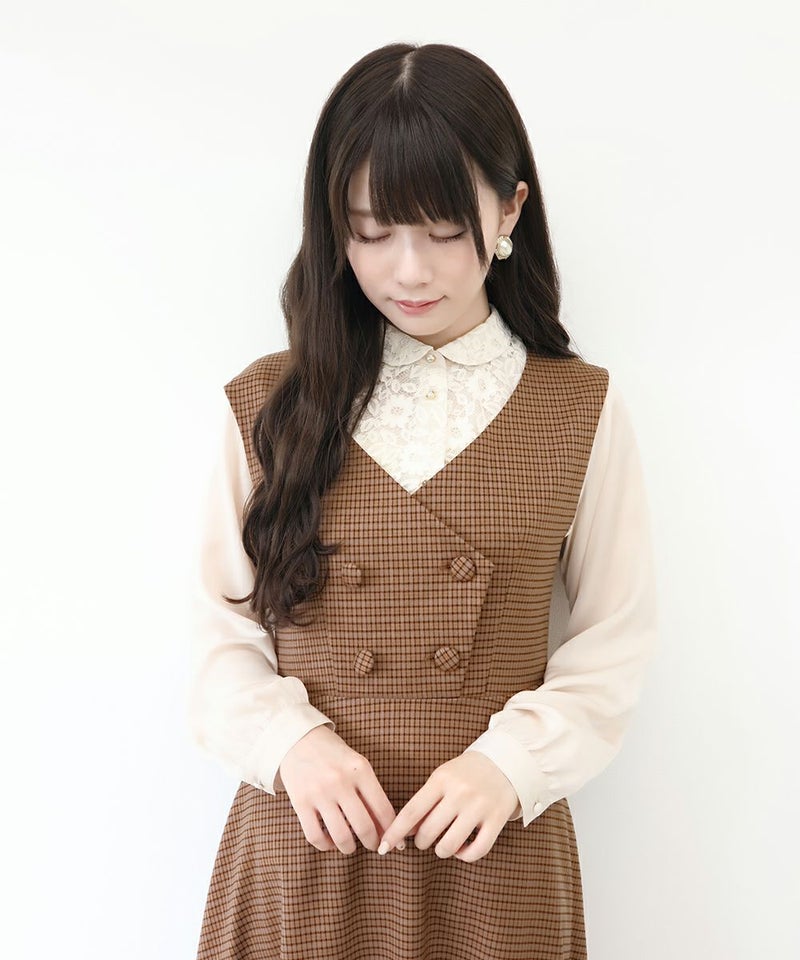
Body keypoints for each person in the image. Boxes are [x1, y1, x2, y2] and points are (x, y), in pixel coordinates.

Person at [187, 40, 659, 960]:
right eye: (372, 231)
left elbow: (616, 640)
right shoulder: (266, 403)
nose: (409, 271)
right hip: (304, 848)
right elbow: (218, 633)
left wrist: (513, 764)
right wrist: (290, 744)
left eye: (443, 231)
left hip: (496, 851)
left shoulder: (579, 407)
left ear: (509, 209)